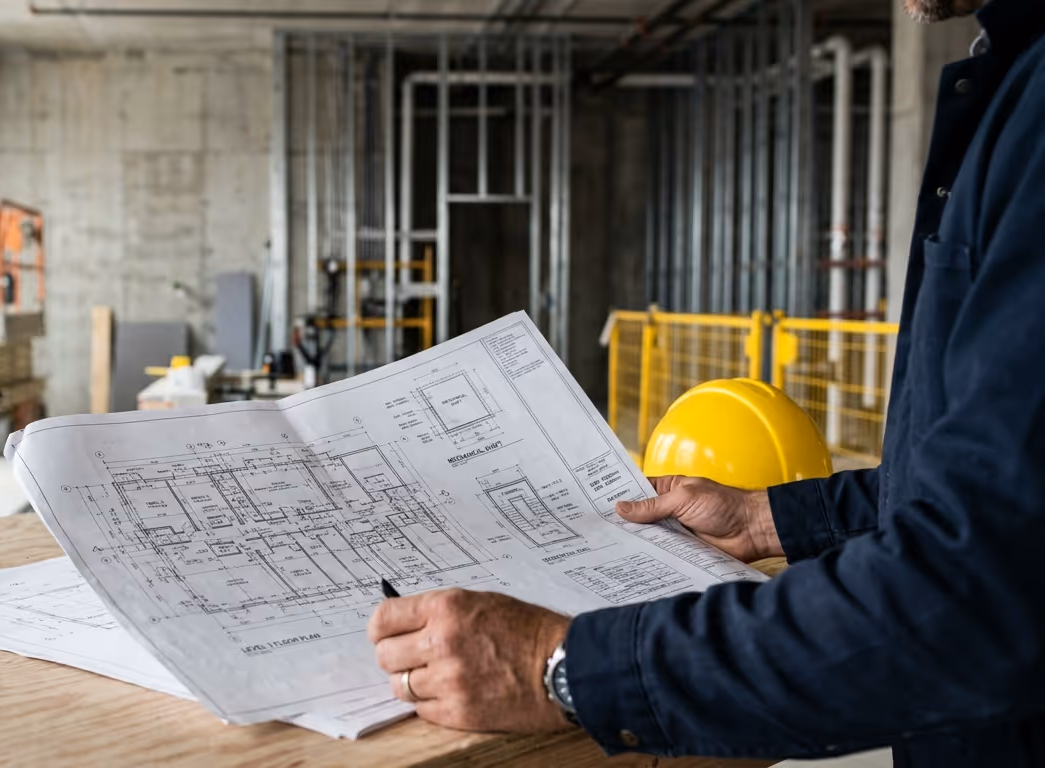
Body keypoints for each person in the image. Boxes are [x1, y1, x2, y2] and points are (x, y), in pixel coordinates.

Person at [366, 0, 1045, 764]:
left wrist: (559, 667)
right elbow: (1002, 495)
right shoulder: (1015, 79)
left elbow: (976, 586)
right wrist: (769, 520)